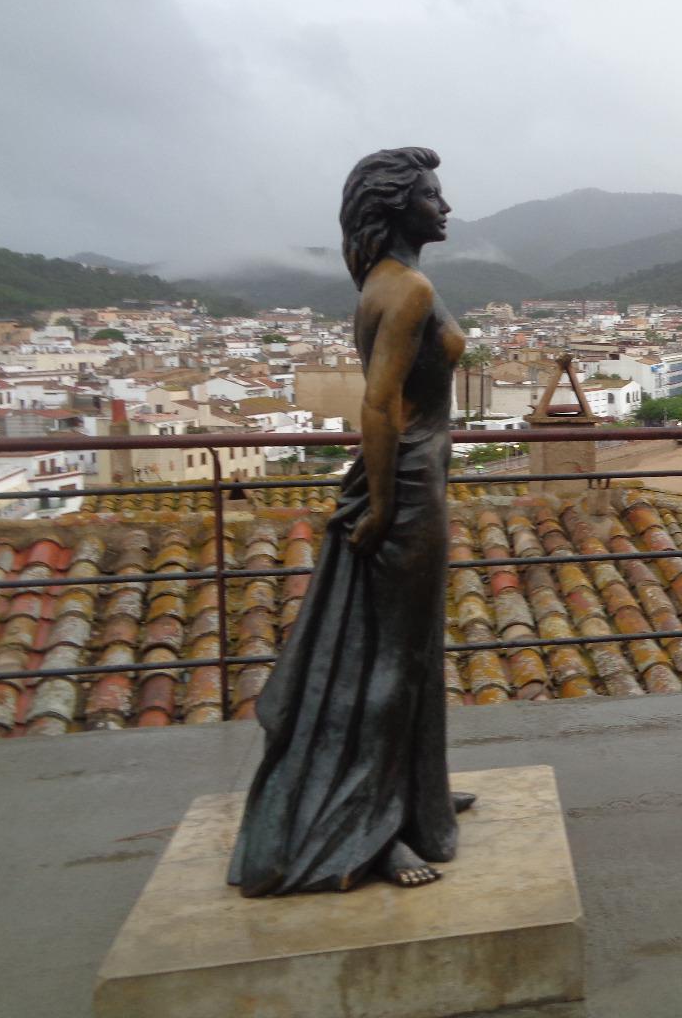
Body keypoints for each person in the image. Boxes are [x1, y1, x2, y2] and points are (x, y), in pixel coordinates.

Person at [229, 146, 473, 894]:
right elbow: (378, 402)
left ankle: (418, 797)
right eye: (431, 196)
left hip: (413, 471)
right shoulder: (409, 289)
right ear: (397, 208)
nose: (445, 207)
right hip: (409, 478)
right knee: (394, 658)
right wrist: (389, 506)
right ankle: (371, 827)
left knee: (410, 648)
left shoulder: (382, 282)